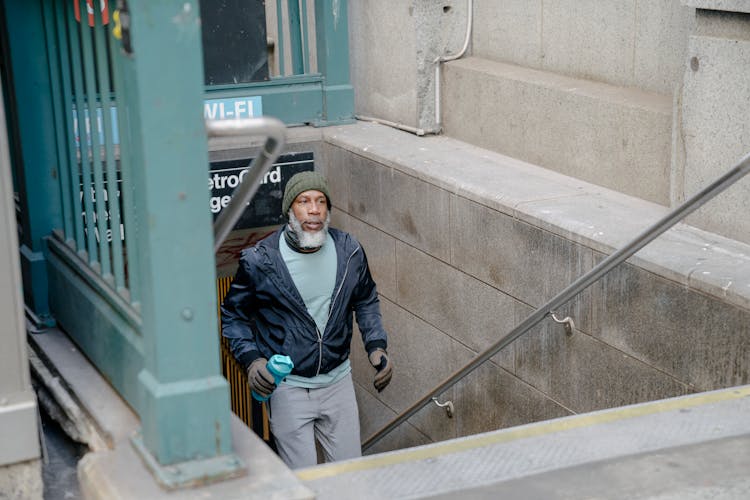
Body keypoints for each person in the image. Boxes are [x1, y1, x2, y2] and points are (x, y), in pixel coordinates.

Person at [221, 170, 393, 469]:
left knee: (351, 478)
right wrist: (251, 360)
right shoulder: (260, 260)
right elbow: (233, 316)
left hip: (339, 383)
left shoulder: (349, 251)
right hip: (288, 388)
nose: (314, 209)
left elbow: (365, 299)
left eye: (321, 201)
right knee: (303, 481)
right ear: (290, 210)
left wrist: (376, 344)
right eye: (304, 201)